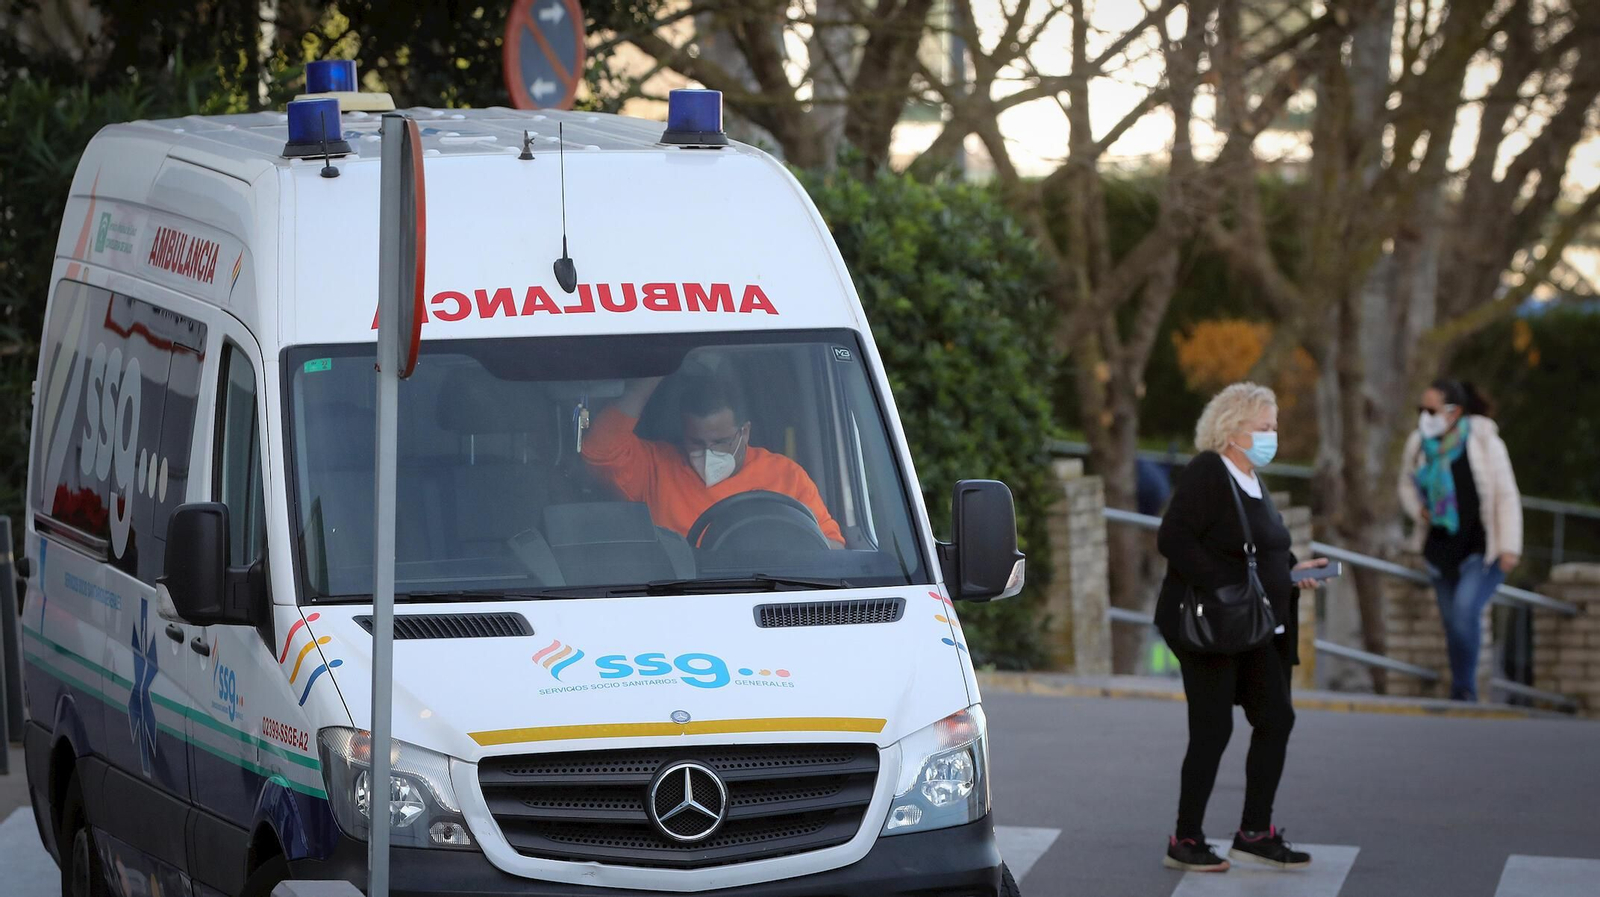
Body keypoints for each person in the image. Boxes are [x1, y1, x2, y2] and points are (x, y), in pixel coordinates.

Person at [1155, 382, 1328, 873]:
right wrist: (1223, 587)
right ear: (1232, 430)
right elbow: (1174, 538)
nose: (1274, 435)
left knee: (1276, 718)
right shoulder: (1211, 471)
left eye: (1275, 426)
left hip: (1254, 627)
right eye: (1265, 427)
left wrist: (1292, 574)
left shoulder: (1250, 478)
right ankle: (1185, 839)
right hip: (1214, 625)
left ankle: (1255, 832)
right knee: (1212, 729)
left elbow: (1256, 550)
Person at [582, 373, 845, 547]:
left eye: (720, 442)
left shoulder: (786, 475)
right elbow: (599, 451)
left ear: (745, 432)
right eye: (696, 442)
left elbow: (832, 546)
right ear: (683, 433)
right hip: (677, 601)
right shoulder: (657, 465)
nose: (708, 453)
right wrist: (648, 380)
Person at [1398, 379, 1522, 702]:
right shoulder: (1418, 444)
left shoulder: (1484, 441)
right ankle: (1461, 686)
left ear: (1454, 412)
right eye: (1421, 409)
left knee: (1466, 613)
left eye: (1432, 409)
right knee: (1453, 623)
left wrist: (1510, 547)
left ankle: (1465, 688)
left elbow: (1506, 495)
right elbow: (1406, 486)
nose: (1425, 416)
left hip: (1482, 550)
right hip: (1440, 549)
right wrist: (1421, 512)